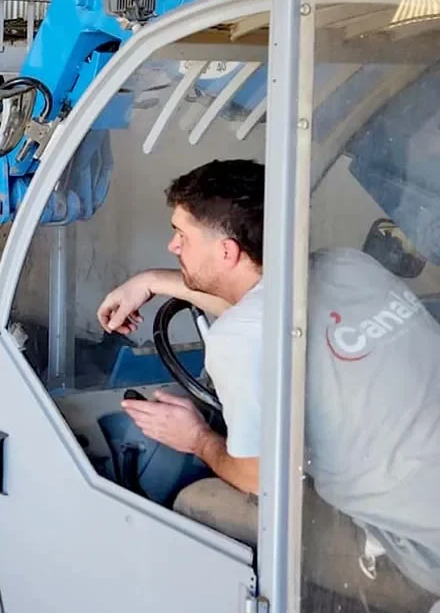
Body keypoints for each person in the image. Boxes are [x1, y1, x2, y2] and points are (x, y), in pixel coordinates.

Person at [96, 159, 440, 611]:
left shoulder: (236, 340)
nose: (172, 244)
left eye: (182, 235)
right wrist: (152, 281)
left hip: (420, 554)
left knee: (197, 502)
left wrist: (196, 438)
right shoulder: (348, 265)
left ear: (227, 252)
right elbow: (262, 307)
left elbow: (258, 478)